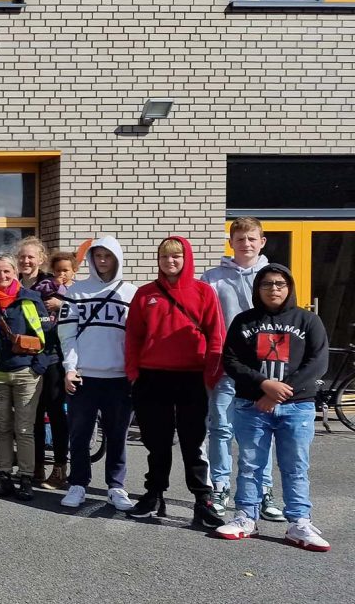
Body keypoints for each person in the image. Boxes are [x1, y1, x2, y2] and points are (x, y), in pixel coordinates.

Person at [214, 264, 332, 551]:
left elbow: (317, 363)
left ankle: (299, 523)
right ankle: (246, 517)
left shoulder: (308, 321)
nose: (274, 289)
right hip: (250, 404)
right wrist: (264, 385)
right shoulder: (244, 321)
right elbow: (231, 361)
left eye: (280, 283)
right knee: (250, 465)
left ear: (289, 287)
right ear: (258, 289)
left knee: (295, 467)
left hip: (297, 407)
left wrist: (278, 393)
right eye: (267, 284)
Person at [124, 236, 226, 526]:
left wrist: (211, 375)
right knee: (156, 442)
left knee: (193, 443)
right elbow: (133, 336)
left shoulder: (203, 292)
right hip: (152, 377)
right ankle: (153, 495)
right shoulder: (145, 294)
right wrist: (134, 374)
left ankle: (202, 500)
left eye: (176, 257)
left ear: (186, 259)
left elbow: (216, 336)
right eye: (165, 257)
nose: (171, 262)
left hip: (191, 378)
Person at [202, 217, 280, 520]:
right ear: (231, 242)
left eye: (252, 239)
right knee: (221, 428)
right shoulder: (213, 277)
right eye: (240, 239)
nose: (246, 244)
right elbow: (205, 320)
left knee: (261, 432)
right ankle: (219, 486)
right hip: (225, 366)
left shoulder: (272, 276)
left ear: (261, 242)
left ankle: (263, 490)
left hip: (263, 370)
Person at [57, 237, 138, 511]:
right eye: (98, 255)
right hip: (84, 377)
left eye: (108, 256)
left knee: (118, 435)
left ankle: (116, 487)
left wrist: (134, 372)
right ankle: (78, 484)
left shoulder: (131, 293)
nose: (102, 261)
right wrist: (70, 369)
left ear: (117, 258)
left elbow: (137, 339)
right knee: (79, 434)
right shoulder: (77, 291)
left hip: (119, 378)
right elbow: (67, 336)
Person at [0, 254, 48, 501]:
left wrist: (37, 367)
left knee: (24, 429)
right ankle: (3, 477)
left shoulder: (30, 298)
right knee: (2, 429)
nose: (2, 276)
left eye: (6, 272)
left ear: (15, 273)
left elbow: (48, 335)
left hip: (26, 373)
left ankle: (26, 479)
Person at [34, 250, 75, 489]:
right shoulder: (43, 287)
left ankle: (60, 468)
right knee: (36, 415)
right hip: (38, 358)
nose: (61, 275)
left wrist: (62, 304)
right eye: (58, 270)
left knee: (57, 413)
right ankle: (37, 465)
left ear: (74, 271)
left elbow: (80, 312)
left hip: (59, 361)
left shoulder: (76, 293)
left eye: (66, 271)